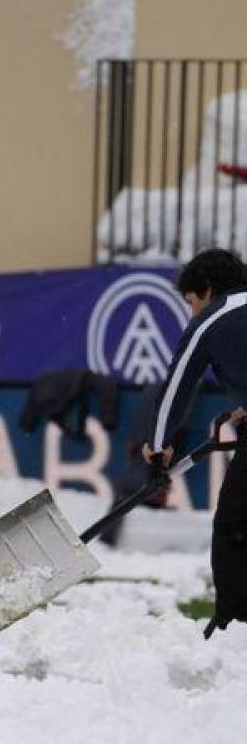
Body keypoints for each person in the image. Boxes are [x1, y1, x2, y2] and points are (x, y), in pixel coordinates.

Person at [140, 248, 247, 638]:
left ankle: (234, 627)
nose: (191, 312)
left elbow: (177, 389)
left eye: (190, 302)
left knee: (235, 526)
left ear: (206, 290)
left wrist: (157, 447)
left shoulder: (211, 320)